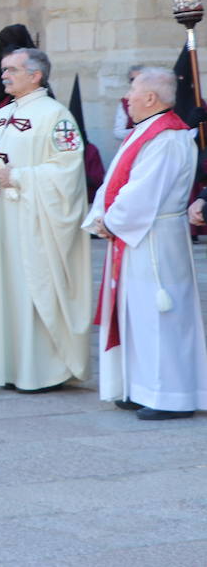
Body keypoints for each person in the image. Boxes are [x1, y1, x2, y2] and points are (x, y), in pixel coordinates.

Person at [0, 47, 92, 392]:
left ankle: (40, 369)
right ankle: (7, 365)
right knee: (1, 289)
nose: (4, 76)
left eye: (11, 69)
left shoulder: (56, 116)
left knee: (29, 289)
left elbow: (69, 170)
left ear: (35, 75)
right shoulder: (1, 116)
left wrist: (22, 177)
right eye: (3, 70)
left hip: (31, 224)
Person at [92, 68, 207, 419]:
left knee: (163, 318)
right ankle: (142, 387)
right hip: (136, 236)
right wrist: (101, 215)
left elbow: (144, 192)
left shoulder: (168, 138)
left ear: (151, 98)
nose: (127, 98)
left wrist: (110, 220)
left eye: (133, 91)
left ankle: (171, 396)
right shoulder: (145, 132)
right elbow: (116, 180)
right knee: (136, 315)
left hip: (156, 238)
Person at [112, 65, 145, 142]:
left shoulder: (159, 100)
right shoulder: (125, 102)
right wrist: (142, 130)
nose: (137, 82)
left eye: (140, 79)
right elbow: (118, 132)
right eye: (133, 79)